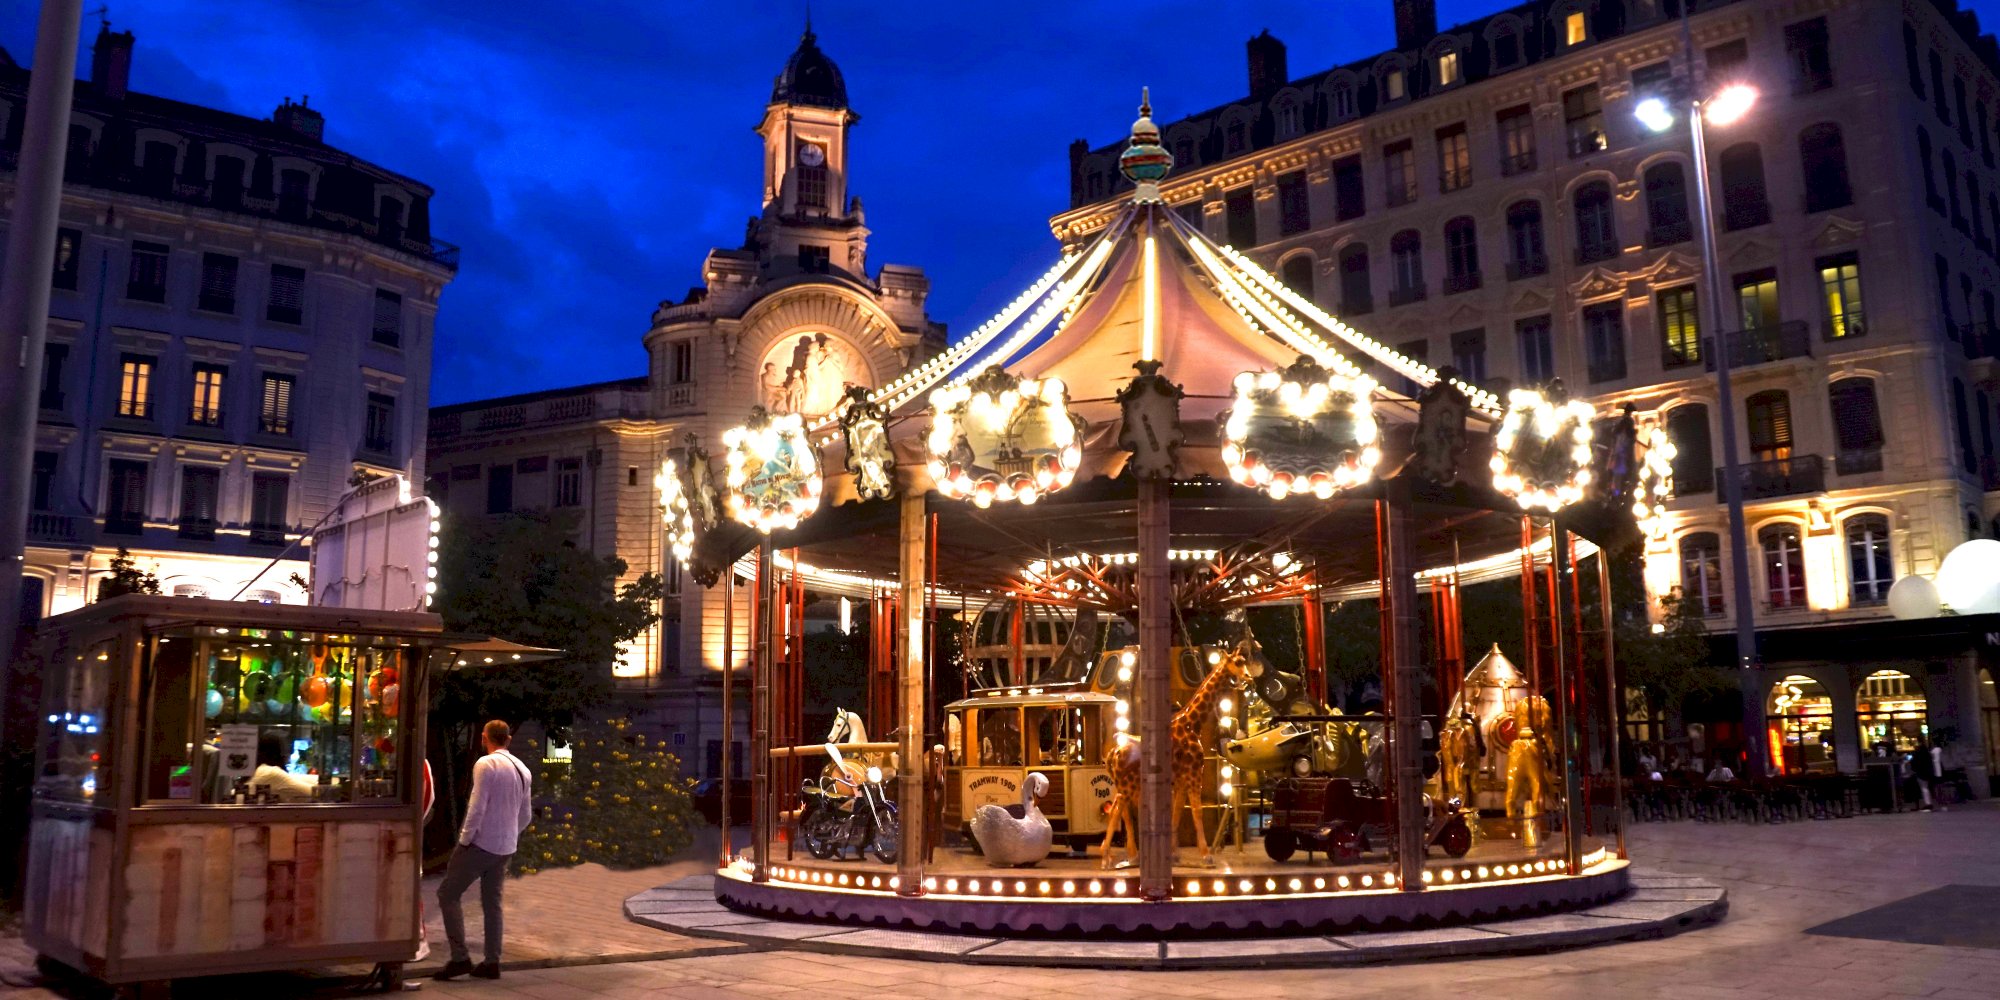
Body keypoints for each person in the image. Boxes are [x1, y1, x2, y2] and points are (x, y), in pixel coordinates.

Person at [436, 720, 533, 981]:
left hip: (480, 844)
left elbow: (476, 807)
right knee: (493, 903)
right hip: (505, 846)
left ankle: (460, 958)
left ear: (484, 738)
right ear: (508, 740)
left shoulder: (485, 765)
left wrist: (465, 840)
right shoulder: (523, 770)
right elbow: (526, 814)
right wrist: (511, 834)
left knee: (448, 893)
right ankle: (492, 961)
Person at [251, 730, 318, 803]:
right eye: (288, 748)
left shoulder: (261, 770)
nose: (290, 753)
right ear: (279, 752)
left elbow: (294, 778)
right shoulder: (271, 773)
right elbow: (314, 794)